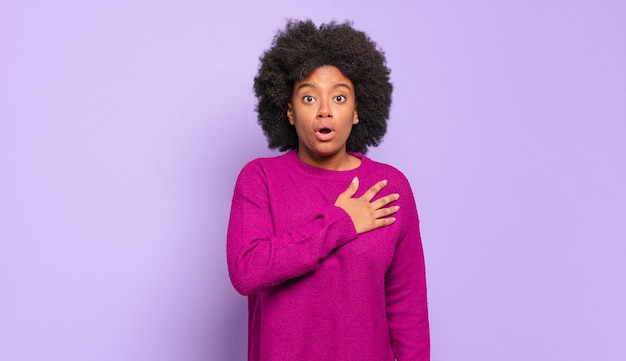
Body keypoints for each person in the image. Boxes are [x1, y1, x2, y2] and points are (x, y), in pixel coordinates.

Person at [227, 19, 429, 361]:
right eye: (308, 97)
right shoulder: (259, 178)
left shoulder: (389, 187)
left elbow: (408, 309)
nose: (324, 110)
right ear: (289, 111)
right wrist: (340, 223)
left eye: (339, 97)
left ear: (356, 111)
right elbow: (247, 271)